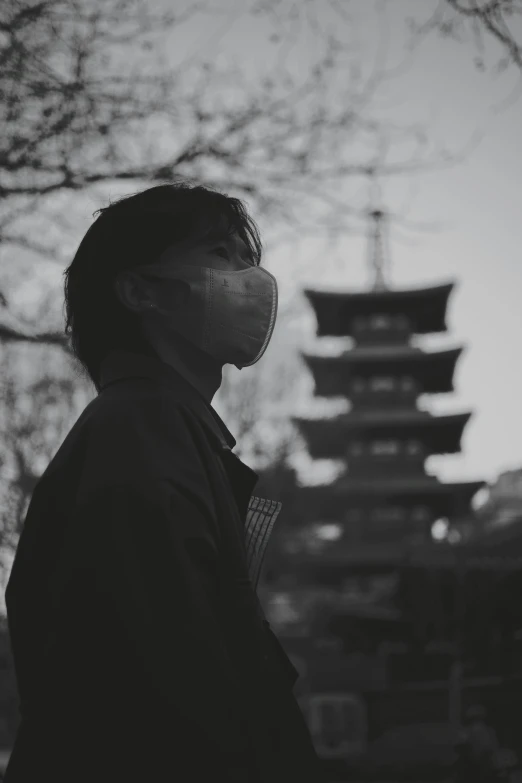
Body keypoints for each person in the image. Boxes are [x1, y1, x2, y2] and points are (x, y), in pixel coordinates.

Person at [4, 181, 325, 782]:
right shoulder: (140, 432)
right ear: (138, 291)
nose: (251, 279)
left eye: (248, 258)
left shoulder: (158, 429)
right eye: (220, 257)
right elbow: (174, 686)